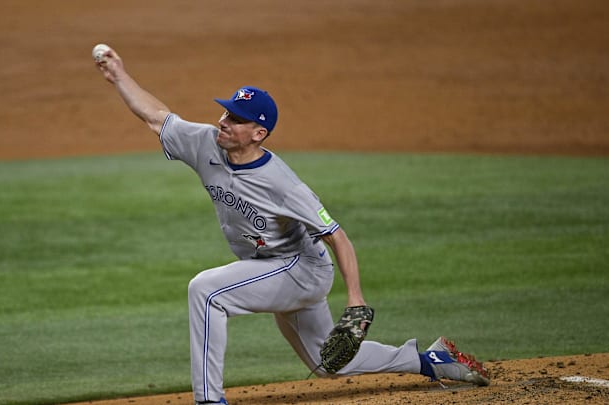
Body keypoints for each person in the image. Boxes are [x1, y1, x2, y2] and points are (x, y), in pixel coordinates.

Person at [94, 46, 490, 405]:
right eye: (227, 112)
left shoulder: (284, 183)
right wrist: (119, 76)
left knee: (207, 291)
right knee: (326, 363)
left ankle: (209, 401)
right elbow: (156, 116)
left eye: (237, 118)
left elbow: (338, 236)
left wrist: (355, 298)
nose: (224, 120)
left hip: (301, 268)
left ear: (258, 133)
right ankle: (432, 361)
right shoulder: (206, 143)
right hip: (270, 266)